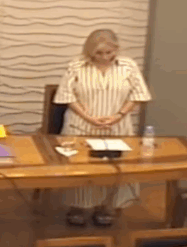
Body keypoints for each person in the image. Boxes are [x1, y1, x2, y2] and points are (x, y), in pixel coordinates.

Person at [54, 29, 152, 227]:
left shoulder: (128, 66)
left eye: (109, 52)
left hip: (117, 126)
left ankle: (106, 207)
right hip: (81, 125)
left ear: (116, 49)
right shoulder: (77, 65)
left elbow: (138, 95)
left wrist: (118, 115)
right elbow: (66, 96)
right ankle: (78, 207)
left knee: (114, 169)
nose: (105, 57)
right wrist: (89, 118)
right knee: (83, 169)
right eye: (99, 53)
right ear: (89, 50)